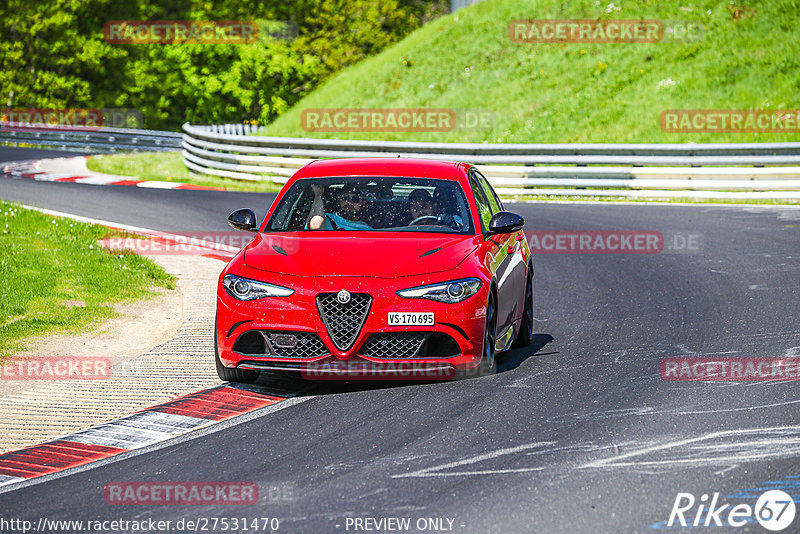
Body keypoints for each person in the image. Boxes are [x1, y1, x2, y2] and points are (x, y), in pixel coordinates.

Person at [307, 182, 373, 230]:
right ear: (339, 200)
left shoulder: (367, 230)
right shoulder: (324, 217)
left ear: (363, 204)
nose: (349, 202)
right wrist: (318, 195)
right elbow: (315, 226)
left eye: (355, 199)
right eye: (345, 198)